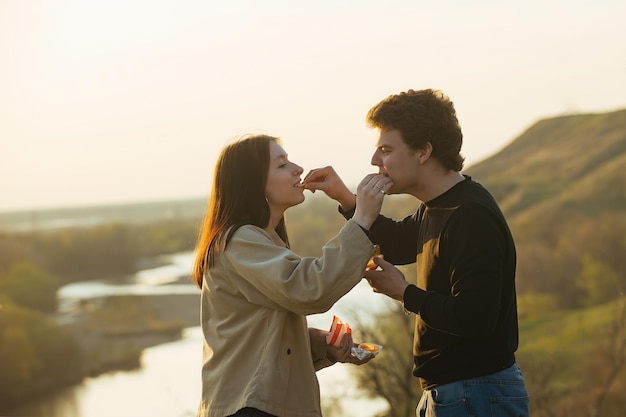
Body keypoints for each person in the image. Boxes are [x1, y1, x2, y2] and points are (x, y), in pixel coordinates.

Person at [303, 89, 530, 417]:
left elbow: (476, 318)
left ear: (423, 151)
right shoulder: (439, 207)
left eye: (386, 149)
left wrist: (405, 293)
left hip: (475, 393)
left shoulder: (470, 215)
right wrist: (346, 199)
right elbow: (396, 242)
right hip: (456, 392)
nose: (374, 161)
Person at [192, 134, 383, 417]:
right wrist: (362, 219)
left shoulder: (260, 240)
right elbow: (311, 288)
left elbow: (257, 336)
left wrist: (322, 346)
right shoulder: (241, 240)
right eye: (282, 165)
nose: (297, 169)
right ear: (252, 183)